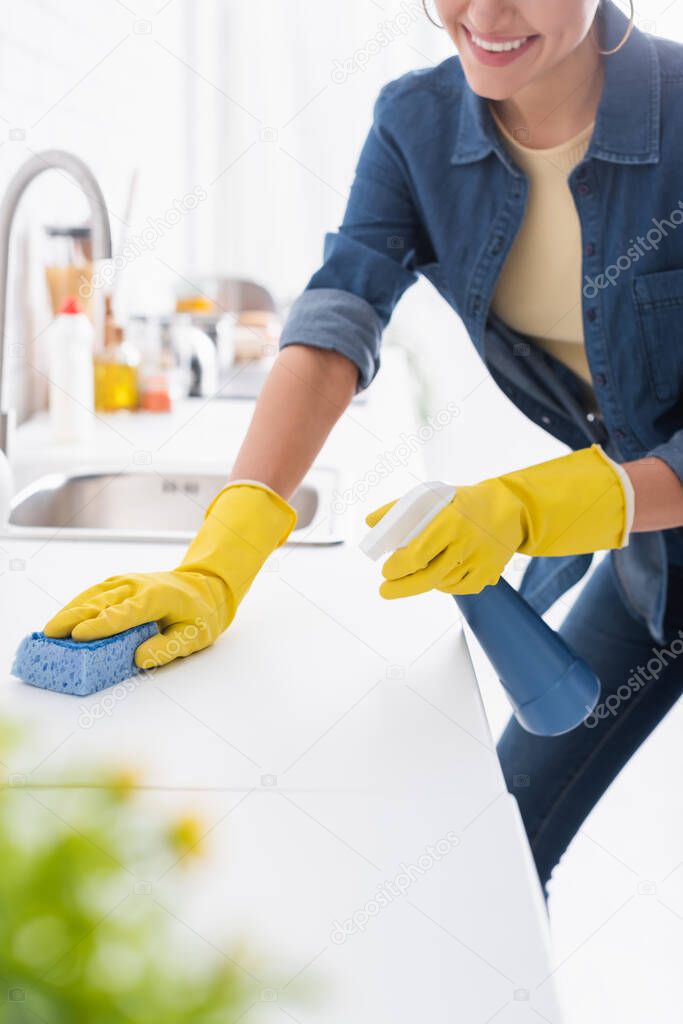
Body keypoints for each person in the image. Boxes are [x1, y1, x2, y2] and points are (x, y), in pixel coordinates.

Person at [44, 0, 683, 902]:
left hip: (633, 515)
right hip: (651, 557)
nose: (485, 12)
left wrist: (541, 506)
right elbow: (339, 315)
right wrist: (220, 558)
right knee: (492, 861)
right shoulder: (416, 126)